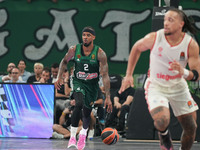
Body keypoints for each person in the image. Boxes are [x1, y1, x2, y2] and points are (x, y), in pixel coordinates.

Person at [119, 8, 200, 150]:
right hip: (156, 86)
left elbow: (196, 75)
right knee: (162, 120)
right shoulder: (155, 37)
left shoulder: (190, 44)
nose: (166, 23)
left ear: (181, 24)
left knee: (191, 127)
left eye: (170, 20)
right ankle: (164, 136)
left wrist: (183, 71)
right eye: (165, 20)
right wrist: (129, 74)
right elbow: (137, 48)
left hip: (178, 86)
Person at [55, 26, 112, 150]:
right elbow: (64, 61)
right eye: (84, 35)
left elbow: (105, 75)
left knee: (87, 113)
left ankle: (82, 135)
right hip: (78, 81)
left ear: (93, 37)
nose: (85, 37)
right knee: (79, 104)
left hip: (92, 85)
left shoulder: (100, 53)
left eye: (88, 35)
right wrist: (59, 77)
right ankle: (72, 137)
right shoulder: (74, 49)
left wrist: (108, 96)